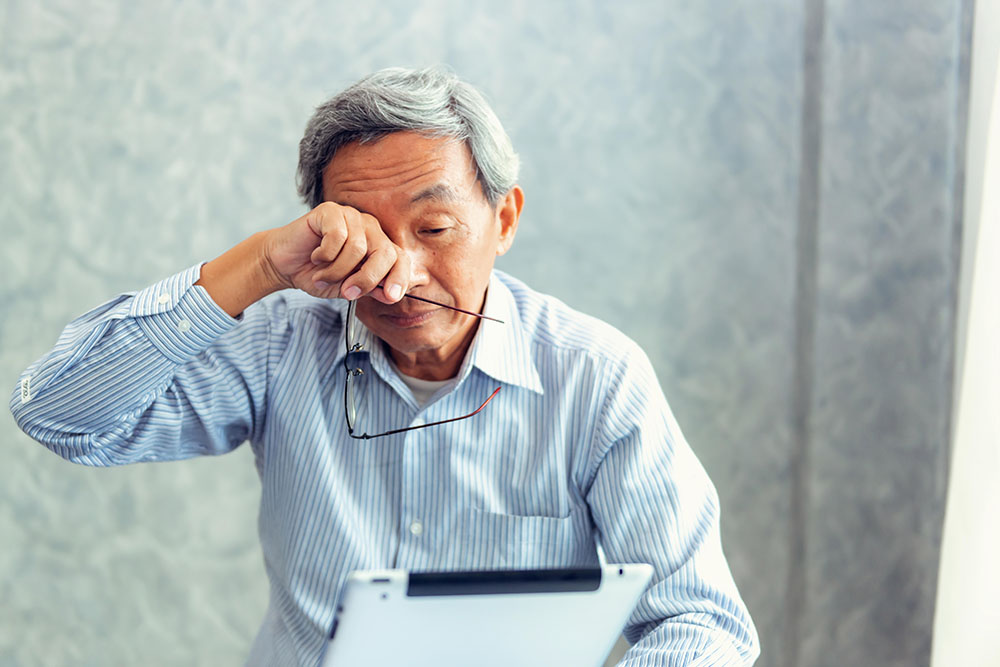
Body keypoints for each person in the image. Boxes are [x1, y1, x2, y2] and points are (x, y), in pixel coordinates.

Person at [11, 67, 759, 666]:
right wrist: (259, 263)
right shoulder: (282, 343)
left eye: (434, 228)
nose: (395, 277)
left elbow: (701, 623)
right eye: (362, 236)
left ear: (503, 221)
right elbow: (58, 413)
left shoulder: (595, 377)